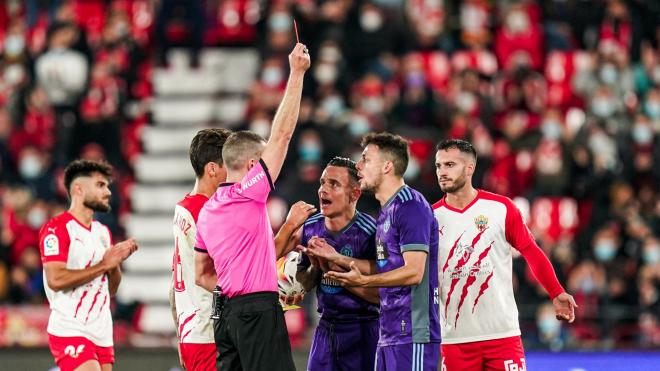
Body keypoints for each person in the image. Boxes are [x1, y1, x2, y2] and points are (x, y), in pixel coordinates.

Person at [194, 42, 311, 371]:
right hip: (255, 311)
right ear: (251, 164)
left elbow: (202, 274)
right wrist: (297, 73)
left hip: (225, 315)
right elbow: (283, 134)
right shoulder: (249, 192)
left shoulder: (208, 211)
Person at [432, 139, 577, 371]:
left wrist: (556, 291)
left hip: (502, 336)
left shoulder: (500, 208)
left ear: (470, 168)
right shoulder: (430, 217)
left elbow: (530, 250)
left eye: (450, 165)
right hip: (455, 340)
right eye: (439, 166)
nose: (442, 172)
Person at [325, 132, 441, 371]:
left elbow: (414, 272)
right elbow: (386, 268)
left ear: (387, 166)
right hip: (388, 333)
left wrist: (365, 281)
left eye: (366, 159)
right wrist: (338, 259)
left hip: (413, 334)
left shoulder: (411, 207)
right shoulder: (386, 212)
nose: (358, 166)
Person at [39, 159, 138, 371]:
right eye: (101, 185)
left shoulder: (102, 232)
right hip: (70, 327)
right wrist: (104, 264)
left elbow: (112, 289)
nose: (108, 192)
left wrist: (115, 262)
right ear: (79, 189)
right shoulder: (57, 229)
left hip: (101, 330)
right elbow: (56, 280)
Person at [285, 157, 380, 371]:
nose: (323, 190)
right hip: (326, 328)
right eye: (322, 182)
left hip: (364, 329)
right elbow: (306, 278)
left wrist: (335, 269)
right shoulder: (310, 227)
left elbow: (382, 297)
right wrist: (311, 272)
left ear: (354, 194)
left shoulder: (371, 233)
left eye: (334, 184)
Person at [169, 128, 232, 371]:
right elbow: (231, 271)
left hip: (193, 332)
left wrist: (180, 332)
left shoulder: (184, 208)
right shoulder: (206, 212)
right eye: (230, 164)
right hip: (208, 332)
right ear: (212, 169)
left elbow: (174, 283)